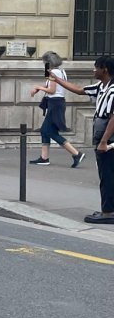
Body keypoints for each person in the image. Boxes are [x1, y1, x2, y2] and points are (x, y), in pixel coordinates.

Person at [45, 56, 114, 223]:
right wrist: (57, 79)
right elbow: (78, 90)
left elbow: (113, 117)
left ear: (104, 69)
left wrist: (104, 141)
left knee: (108, 175)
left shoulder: (112, 90)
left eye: (95, 67)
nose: (93, 70)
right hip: (103, 135)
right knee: (106, 174)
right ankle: (108, 209)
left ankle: (109, 212)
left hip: (109, 137)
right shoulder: (101, 86)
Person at [30, 52, 85, 168]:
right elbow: (48, 84)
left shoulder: (54, 72)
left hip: (55, 103)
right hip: (57, 103)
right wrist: (39, 89)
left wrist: (38, 87)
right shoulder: (60, 71)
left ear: (48, 62)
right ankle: (44, 158)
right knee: (45, 130)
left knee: (48, 131)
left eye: (44, 62)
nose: (43, 64)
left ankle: (76, 153)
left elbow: (52, 90)